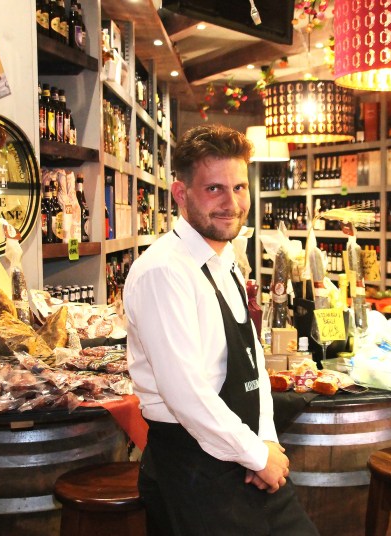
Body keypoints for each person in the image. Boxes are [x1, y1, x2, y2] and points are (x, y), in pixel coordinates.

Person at [124, 124, 318, 535]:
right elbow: (185, 394)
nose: (232, 203)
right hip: (193, 471)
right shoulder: (164, 272)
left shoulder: (226, 261)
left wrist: (265, 444)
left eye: (240, 188)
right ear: (181, 194)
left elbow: (253, 365)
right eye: (215, 189)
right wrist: (257, 455)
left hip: (244, 455)